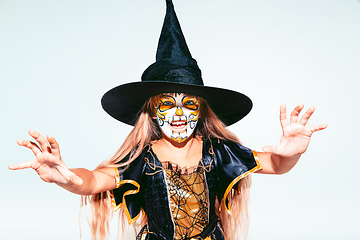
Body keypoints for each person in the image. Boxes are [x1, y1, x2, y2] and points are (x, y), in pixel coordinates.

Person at [8, 1, 327, 240]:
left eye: (188, 104)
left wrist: (293, 151)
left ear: (202, 110)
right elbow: (92, 180)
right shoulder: (141, 159)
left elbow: (275, 164)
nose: (177, 115)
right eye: (166, 104)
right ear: (151, 111)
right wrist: (64, 176)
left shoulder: (219, 152)